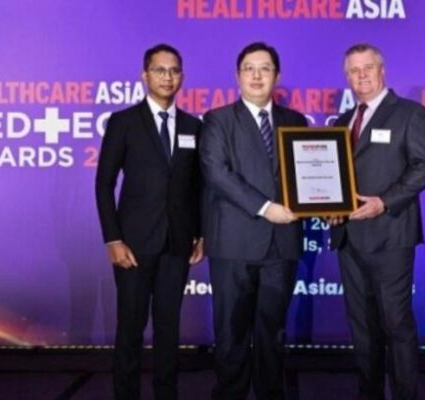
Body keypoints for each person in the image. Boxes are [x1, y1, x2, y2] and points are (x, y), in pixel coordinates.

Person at [330, 43, 425, 400]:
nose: (361, 75)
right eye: (353, 70)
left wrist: (385, 202)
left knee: (396, 324)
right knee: (362, 328)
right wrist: (331, 205)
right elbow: (336, 178)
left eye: (367, 67)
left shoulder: (409, 113)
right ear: (347, 77)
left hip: (391, 235)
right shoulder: (342, 122)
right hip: (349, 238)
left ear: (382, 70)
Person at [199, 42, 308, 400]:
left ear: (277, 75)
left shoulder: (296, 121)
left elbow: (308, 175)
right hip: (234, 242)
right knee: (231, 332)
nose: (257, 75)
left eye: (265, 68)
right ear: (237, 76)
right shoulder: (217, 120)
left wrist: (323, 200)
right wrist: (265, 207)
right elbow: (218, 174)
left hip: (282, 242)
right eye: (249, 68)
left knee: (272, 332)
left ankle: (270, 393)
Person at [95, 43, 204, 400]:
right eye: (160, 70)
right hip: (133, 246)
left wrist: (200, 233)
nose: (167, 77)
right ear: (145, 75)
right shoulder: (124, 122)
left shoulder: (193, 126)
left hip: (177, 244)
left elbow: (197, 186)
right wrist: (113, 239)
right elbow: (104, 183)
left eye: (174, 70)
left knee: (169, 330)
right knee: (130, 329)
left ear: (181, 76)